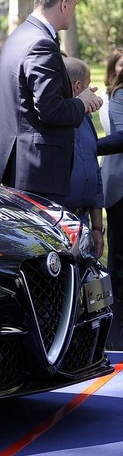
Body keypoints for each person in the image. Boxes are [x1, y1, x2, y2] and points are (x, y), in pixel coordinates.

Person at [0, 0, 102, 205]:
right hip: (36, 172)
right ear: (64, 4)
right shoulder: (41, 43)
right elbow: (50, 109)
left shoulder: (19, 35)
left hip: (18, 165)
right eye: (74, 5)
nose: (74, 12)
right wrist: (81, 101)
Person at [96, 47, 123, 350]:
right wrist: (89, 146)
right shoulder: (117, 95)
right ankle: (115, 335)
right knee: (118, 260)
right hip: (118, 181)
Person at [62, 57, 104, 238]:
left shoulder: (86, 118)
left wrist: (97, 227)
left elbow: (93, 170)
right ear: (78, 86)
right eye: (89, 86)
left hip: (84, 221)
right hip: (60, 223)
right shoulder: (49, 121)